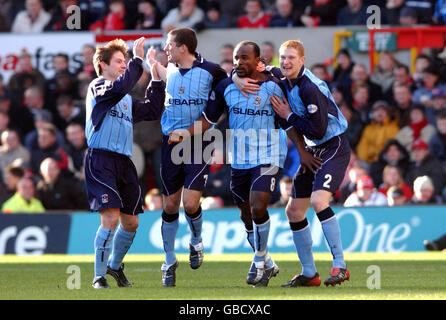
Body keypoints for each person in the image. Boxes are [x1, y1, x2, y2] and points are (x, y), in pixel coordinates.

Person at [169, 40, 300, 287]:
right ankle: (268, 264)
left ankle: (259, 260)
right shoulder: (227, 86)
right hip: (239, 158)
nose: (239, 62)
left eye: (245, 58)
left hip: (268, 155)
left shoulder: (275, 86)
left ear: (258, 60)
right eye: (237, 58)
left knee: (258, 205)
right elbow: (209, 119)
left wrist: (302, 151)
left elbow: (288, 115)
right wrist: (185, 133)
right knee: (246, 214)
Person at [256, 40, 351, 287]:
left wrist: (288, 115)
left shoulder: (310, 88)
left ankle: (340, 265)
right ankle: (309, 273)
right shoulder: (282, 77)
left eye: (291, 58)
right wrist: (238, 76)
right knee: (294, 211)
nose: (286, 62)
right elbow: (254, 66)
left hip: (333, 146)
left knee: (319, 201)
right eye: (283, 57)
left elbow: (318, 130)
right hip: (312, 149)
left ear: (302, 60)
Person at [147, 28, 227, 287]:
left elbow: (227, 87)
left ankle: (196, 241)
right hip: (171, 143)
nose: (165, 48)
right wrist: (148, 63)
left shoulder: (211, 70)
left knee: (190, 203)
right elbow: (160, 73)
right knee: (170, 205)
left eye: (169, 44)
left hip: (199, 141)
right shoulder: (169, 71)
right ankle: (169, 261)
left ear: (183, 47)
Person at [84, 37, 165, 289]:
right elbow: (120, 86)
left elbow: (153, 110)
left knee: (131, 222)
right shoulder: (98, 87)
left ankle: (115, 267)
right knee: (110, 217)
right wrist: (138, 60)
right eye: (119, 61)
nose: (123, 65)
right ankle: (98, 276)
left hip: (124, 162)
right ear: (102, 65)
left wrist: (157, 79)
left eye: (125, 61)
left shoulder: (126, 99)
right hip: (101, 160)